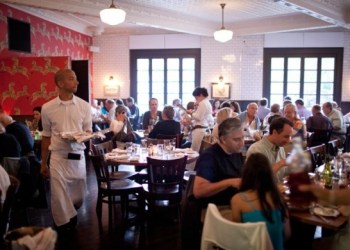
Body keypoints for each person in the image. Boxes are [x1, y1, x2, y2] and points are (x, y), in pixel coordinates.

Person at [40, 69, 92, 234]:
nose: (77, 82)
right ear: (60, 84)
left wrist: (79, 136)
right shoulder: (47, 108)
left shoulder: (84, 106)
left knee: (80, 195)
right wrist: (43, 163)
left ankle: (72, 212)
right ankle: (63, 226)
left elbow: (88, 132)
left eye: (76, 79)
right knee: (58, 195)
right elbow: (46, 137)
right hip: (58, 157)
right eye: (72, 79)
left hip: (78, 157)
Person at [231, 153, 290, 250]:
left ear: (245, 173)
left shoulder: (237, 200)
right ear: (269, 174)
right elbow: (287, 234)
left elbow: (237, 234)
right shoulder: (278, 197)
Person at [193, 117, 244, 207]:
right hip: (214, 209)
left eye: (242, 138)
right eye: (236, 139)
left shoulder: (235, 152)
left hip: (234, 203)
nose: (242, 143)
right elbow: (198, 191)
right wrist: (229, 182)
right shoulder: (209, 157)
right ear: (223, 139)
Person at [246, 117, 293, 182]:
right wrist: (281, 163)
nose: (289, 141)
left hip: (278, 190)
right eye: (286, 136)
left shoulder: (280, 148)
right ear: (274, 132)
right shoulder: (257, 149)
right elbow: (257, 179)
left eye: (290, 136)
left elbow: (283, 174)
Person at [188, 87, 214, 152]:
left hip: (199, 129)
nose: (196, 99)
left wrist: (191, 113)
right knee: (198, 150)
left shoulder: (203, 103)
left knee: (194, 151)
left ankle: (193, 162)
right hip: (203, 128)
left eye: (196, 97)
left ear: (201, 95)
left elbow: (199, 117)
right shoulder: (207, 102)